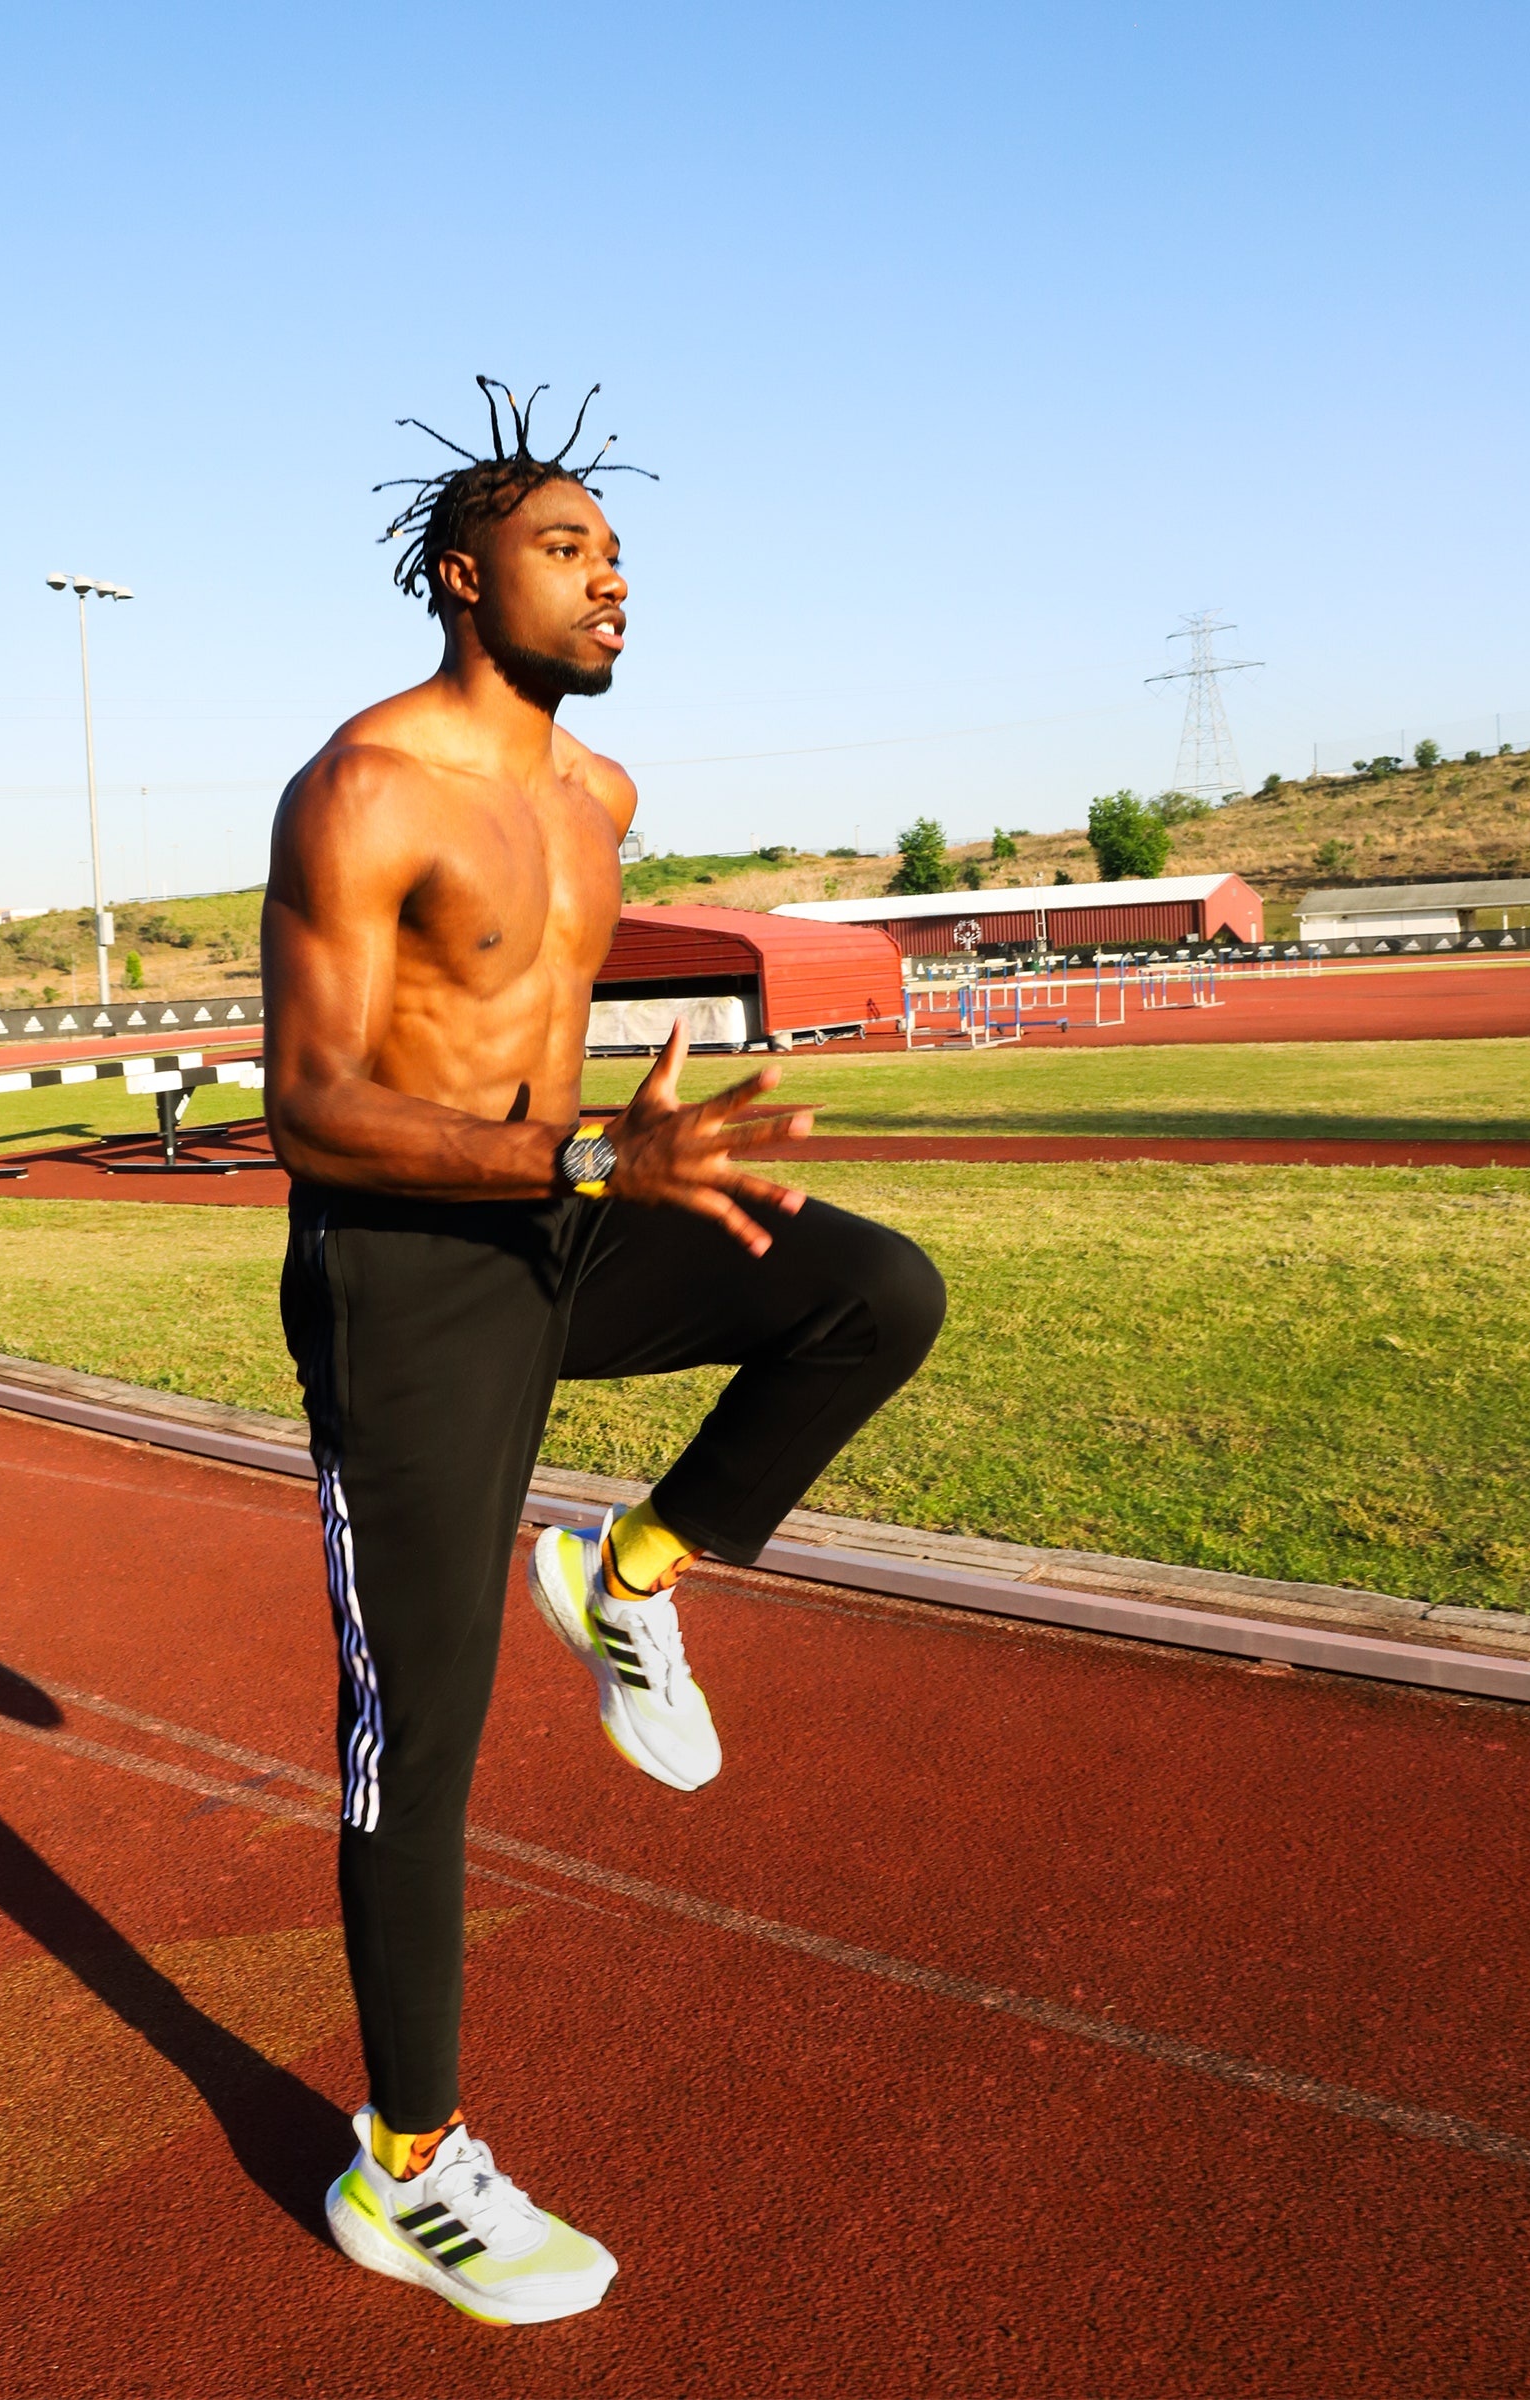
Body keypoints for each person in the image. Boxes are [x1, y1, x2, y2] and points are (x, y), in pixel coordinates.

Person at [262, 381, 946, 2325]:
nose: (615, 584)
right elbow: (309, 1104)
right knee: (426, 1737)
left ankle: (627, 1575)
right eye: (573, 552)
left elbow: (526, 989)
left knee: (869, 1293)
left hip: (562, 1220)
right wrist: (572, 1148)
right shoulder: (365, 786)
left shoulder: (600, 795)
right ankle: (404, 2169)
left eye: (622, 555)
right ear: (463, 581)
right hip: (408, 1276)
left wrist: (619, 1161)